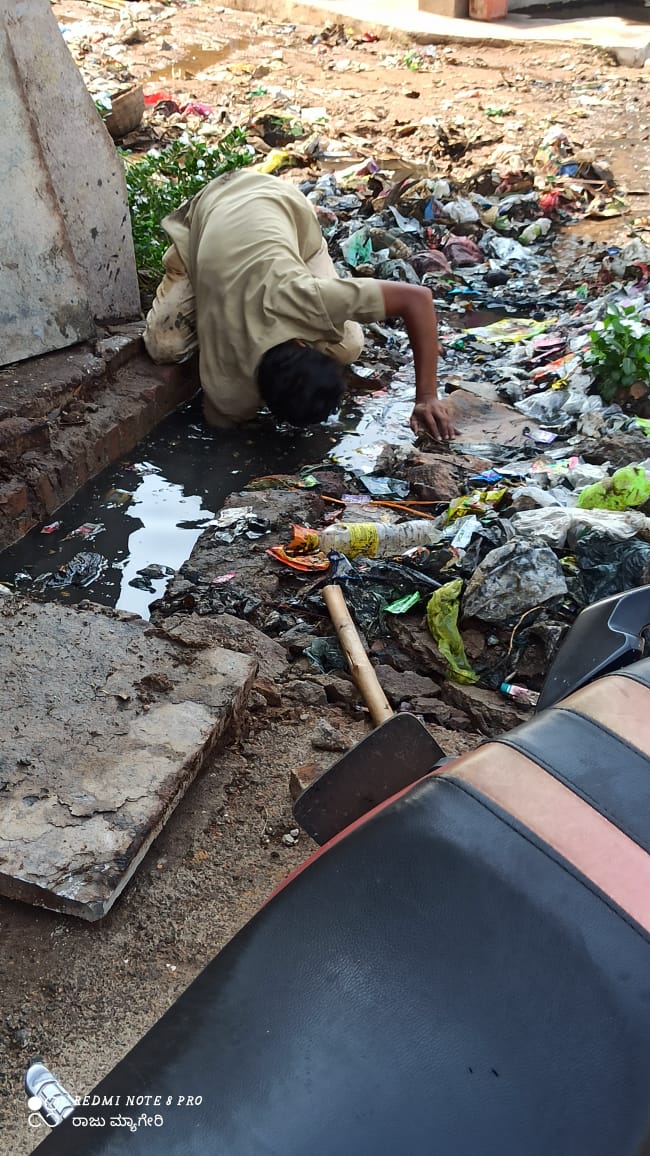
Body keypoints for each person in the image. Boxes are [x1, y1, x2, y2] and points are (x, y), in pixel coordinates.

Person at [143, 169, 454, 442]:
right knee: (164, 347)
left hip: (285, 209)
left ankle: (312, 273)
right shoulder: (228, 390)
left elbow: (417, 298)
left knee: (348, 348)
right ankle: (185, 268)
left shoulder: (307, 296)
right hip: (213, 206)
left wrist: (427, 396)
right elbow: (221, 426)